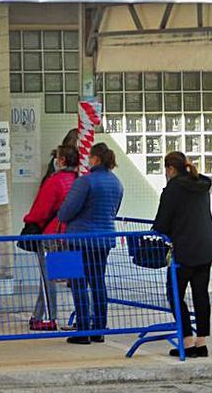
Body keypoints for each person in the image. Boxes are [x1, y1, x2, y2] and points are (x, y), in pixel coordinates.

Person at [152, 152, 212, 358]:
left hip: (184, 251)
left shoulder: (173, 189)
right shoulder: (201, 184)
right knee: (201, 295)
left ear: (170, 169)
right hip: (206, 248)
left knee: (175, 294)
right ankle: (202, 342)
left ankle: (187, 341)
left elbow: (162, 223)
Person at [58, 142, 123, 345]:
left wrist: (62, 214)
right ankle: (100, 328)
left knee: (78, 283)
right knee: (97, 282)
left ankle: (83, 329)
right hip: (104, 240)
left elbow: (67, 211)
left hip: (80, 239)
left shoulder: (85, 182)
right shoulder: (116, 183)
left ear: (95, 159)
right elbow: (114, 211)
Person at [22, 145, 79, 330]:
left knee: (48, 278)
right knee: (73, 277)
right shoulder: (79, 181)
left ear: (61, 160)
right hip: (72, 234)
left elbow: (41, 209)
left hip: (51, 234)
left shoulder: (55, 181)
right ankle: (40, 315)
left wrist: (28, 220)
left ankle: (49, 317)